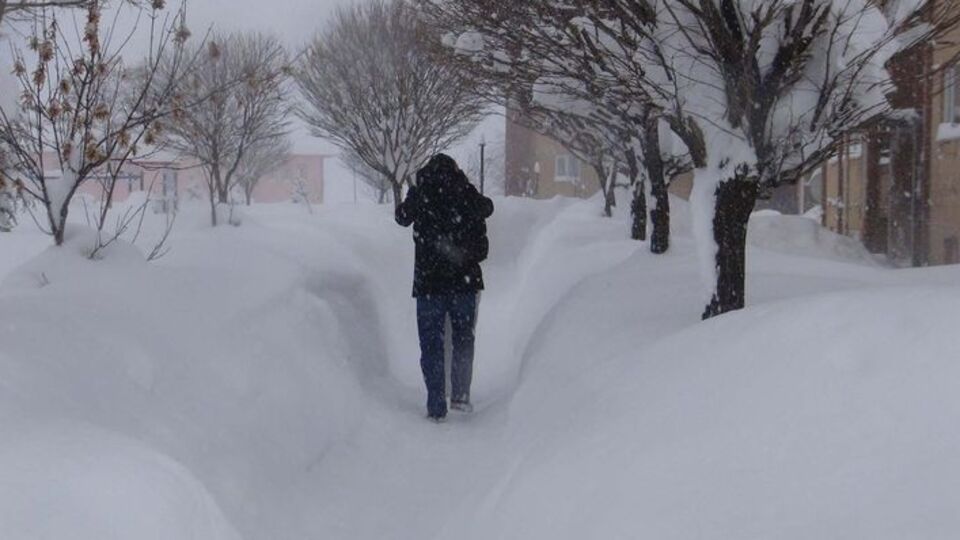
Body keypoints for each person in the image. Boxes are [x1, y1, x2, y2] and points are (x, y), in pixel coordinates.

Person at [396, 154, 494, 422]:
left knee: (431, 344)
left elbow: (402, 218)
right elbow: (483, 243)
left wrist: (414, 192)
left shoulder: (421, 193)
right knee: (463, 340)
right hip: (464, 283)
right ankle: (460, 396)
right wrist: (462, 257)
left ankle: (436, 403)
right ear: (456, 170)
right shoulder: (466, 193)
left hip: (429, 284)